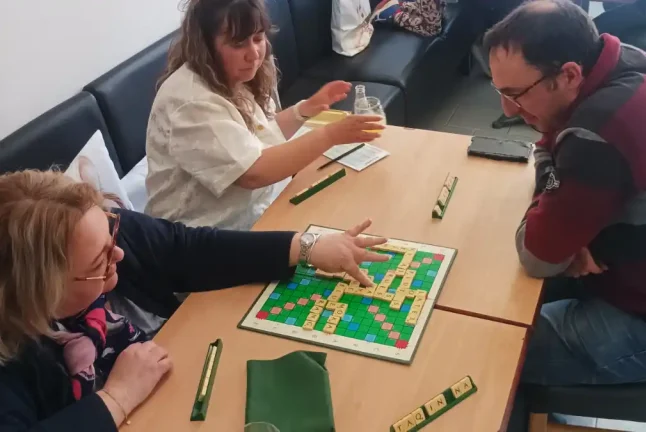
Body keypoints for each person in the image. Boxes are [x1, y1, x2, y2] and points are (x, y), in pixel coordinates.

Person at [484, 0, 646, 426]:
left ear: (569, 75)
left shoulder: (597, 131)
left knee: (491, 344)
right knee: (495, 289)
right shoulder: (619, 58)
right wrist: (558, 187)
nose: (506, 111)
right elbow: (549, 145)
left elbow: (536, 254)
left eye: (515, 94)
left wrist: (552, 199)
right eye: (500, 91)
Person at [0, 170, 389, 431]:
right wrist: (116, 398)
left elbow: (190, 249)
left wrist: (306, 247)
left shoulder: (103, 228)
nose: (118, 253)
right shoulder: (12, 353)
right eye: (98, 261)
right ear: (42, 291)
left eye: (111, 235)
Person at [145, 0, 384, 230]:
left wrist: (304, 110)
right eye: (238, 44)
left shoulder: (232, 75)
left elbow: (259, 137)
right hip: (200, 236)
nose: (254, 54)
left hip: (253, 213)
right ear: (206, 46)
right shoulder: (190, 102)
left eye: (258, 38)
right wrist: (330, 135)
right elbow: (253, 172)